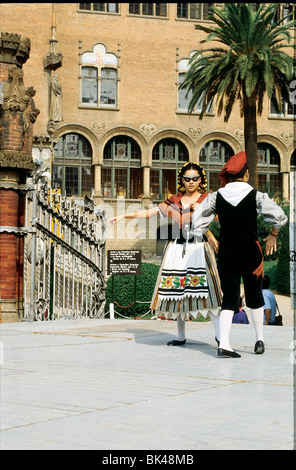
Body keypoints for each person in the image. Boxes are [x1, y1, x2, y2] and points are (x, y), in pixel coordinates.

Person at [108, 162, 222, 346]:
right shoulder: (174, 200)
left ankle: (220, 335)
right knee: (176, 292)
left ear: (201, 180)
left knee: (209, 291)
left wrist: (211, 234)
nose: (191, 182)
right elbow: (149, 213)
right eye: (187, 179)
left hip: (199, 248)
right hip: (176, 248)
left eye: (195, 178)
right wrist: (123, 216)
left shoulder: (209, 199)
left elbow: (221, 218)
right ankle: (180, 335)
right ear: (182, 180)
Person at [192, 151, 287, 358]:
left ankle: (224, 344)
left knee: (230, 298)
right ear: (246, 174)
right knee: (255, 296)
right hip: (250, 251)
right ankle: (259, 340)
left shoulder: (216, 196)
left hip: (227, 251)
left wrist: (211, 231)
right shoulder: (256, 195)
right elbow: (279, 216)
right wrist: (273, 235)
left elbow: (197, 222)